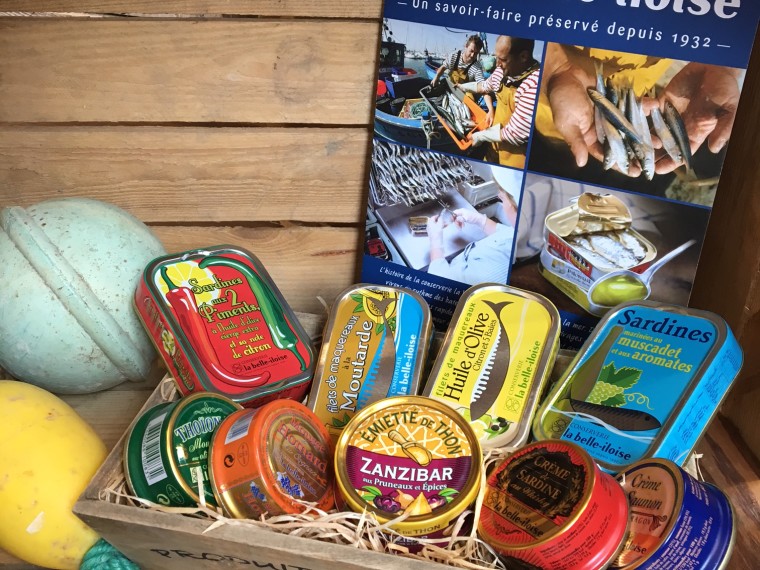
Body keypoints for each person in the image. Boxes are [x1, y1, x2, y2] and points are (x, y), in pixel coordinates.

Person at [536, 44, 742, 176]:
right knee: (558, 144)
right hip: (561, 74)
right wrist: (554, 70)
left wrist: (725, 60)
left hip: (643, 69)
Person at [457, 36, 541, 168]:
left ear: (523, 57)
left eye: (503, 59)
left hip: (515, 156)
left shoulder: (534, 84)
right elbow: (484, 86)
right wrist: (462, 87)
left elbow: (515, 134)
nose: (497, 64)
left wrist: (480, 136)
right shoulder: (502, 70)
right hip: (494, 143)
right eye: (497, 58)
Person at [425, 189, 518, 285]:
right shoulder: (522, 233)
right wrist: (480, 220)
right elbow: (506, 235)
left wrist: (435, 240)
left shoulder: (487, 275)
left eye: (503, 199)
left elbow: (439, 284)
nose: (499, 197)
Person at [431, 35, 495, 126]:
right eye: (471, 51)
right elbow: (443, 67)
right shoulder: (454, 56)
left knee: (469, 109)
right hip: (450, 87)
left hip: (464, 92)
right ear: (466, 46)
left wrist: (491, 110)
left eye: (476, 53)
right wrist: (436, 78)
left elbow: (483, 88)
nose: (473, 55)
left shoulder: (477, 67)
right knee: (437, 104)